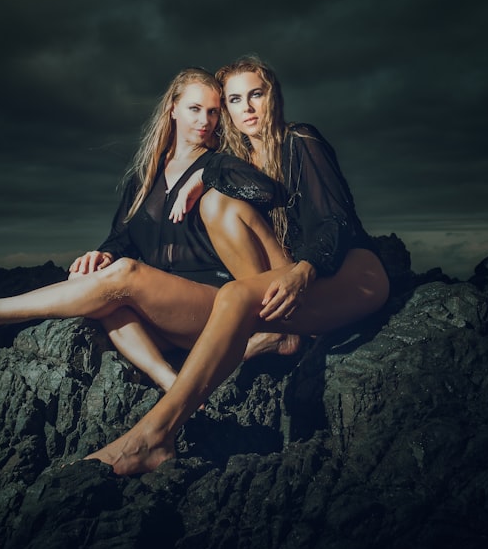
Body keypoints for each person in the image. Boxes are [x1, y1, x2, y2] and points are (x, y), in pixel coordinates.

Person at [86, 55, 390, 474]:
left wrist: (303, 271)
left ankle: (154, 436)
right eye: (234, 100)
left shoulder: (300, 140)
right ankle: (273, 335)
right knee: (218, 222)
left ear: (273, 97)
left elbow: (336, 222)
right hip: (291, 279)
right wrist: (205, 178)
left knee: (232, 295)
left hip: (350, 272)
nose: (246, 108)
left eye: (256, 95)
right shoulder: (236, 161)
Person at [0, 67, 289, 392]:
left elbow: (266, 190)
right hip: (167, 316)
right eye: (193, 109)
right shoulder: (145, 177)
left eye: (212, 112)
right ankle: (171, 382)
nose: (204, 121)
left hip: (214, 304)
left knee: (125, 275)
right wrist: (103, 253)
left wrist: (207, 174)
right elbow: (122, 239)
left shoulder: (224, 164)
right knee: (107, 294)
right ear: (172, 109)